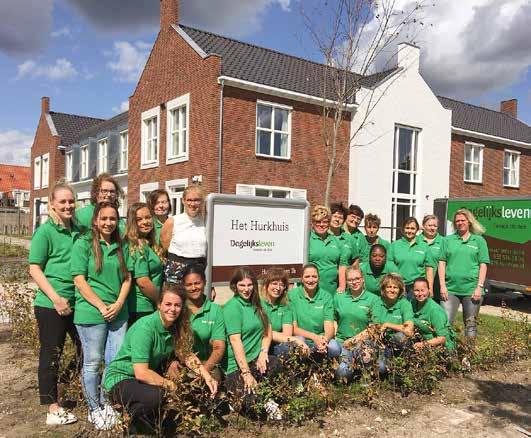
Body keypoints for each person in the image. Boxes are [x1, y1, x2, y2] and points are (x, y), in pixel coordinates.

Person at [103, 283, 217, 428]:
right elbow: (141, 373)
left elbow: (186, 355)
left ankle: (152, 420)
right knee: (156, 396)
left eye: (177, 305)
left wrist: (207, 377)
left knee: (192, 383)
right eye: (168, 304)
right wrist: (171, 386)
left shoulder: (175, 326)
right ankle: (125, 418)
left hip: (145, 378)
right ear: (159, 305)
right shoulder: (145, 328)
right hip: (122, 379)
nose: (172, 309)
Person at [71, 201, 132, 429]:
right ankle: (94, 408)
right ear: (95, 220)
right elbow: (79, 279)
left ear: (118, 221)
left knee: (114, 362)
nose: (108, 223)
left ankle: (107, 403)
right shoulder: (84, 243)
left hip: (118, 313)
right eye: (104, 218)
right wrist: (100, 306)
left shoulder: (121, 245)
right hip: (91, 313)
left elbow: (127, 278)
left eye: (113, 219)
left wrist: (118, 304)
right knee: (93, 362)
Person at [28, 181, 82, 426]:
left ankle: (63, 384)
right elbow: (35, 268)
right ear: (52, 204)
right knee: (52, 354)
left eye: (71, 201)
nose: (68, 205)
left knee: (86, 348)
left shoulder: (78, 229)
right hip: (52, 304)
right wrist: (56, 298)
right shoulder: (45, 231)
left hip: (77, 301)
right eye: (63, 202)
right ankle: (52, 407)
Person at [222, 267, 281, 418]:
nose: (246, 289)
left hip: (257, 360)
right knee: (254, 408)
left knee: (280, 366)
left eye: (249, 285)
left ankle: (265, 395)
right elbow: (235, 341)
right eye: (242, 285)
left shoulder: (258, 303)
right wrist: (246, 373)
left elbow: (268, 331)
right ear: (235, 286)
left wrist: (263, 352)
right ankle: (237, 396)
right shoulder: (232, 307)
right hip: (237, 367)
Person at [439, 208, 489, 338]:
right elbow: (442, 263)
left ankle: (468, 357)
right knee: (445, 324)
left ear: (469, 222)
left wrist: (479, 287)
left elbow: (483, 265)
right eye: (457, 221)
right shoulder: (447, 240)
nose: (460, 223)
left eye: (463, 220)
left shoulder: (479, 241)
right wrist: (442, 285)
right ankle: (446, 354)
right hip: (450, 289)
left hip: (472, 290)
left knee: (471, 325)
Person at [333, 267, 379, 380]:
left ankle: (365, 377)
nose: (354, 282)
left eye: (357, 278)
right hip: (342, 342)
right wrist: (335, 337)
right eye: (350, 280)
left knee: (366, 358)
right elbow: (334, 320)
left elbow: (374, 328)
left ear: (363, 279)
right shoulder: (339, 297)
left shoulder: (373, 299)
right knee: (342, 374)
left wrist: (354, 341)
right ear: (346, 282)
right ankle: (350, 368)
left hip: (363, 342)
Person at [287, 264, 340, 358]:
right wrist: (314, 337)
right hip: (302, 339)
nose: (311, 280)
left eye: (314, 277)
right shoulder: (292, 296)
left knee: (334, 347)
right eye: (307, 277)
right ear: (302, 279)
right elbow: (294, 329)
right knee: (298, 342)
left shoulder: (326, 296)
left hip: (321, 339)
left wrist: (325, 340)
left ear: (318, 278)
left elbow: (329, 326)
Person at [182, 265, 226, 378]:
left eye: (197, 283)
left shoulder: (215, 310)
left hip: (208, 363)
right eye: (189, 284)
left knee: (214, 378)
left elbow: (218, 348)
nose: (193, 288)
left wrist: (204, 372)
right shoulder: (178, 308)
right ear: (183, 286)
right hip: (183, 363)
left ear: (205, 282)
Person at [126, 202, 164, 326]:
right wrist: (162, 300)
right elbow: (143, 282)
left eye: (148, 217)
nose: (145, 222)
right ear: (132, 223)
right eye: (139, 219)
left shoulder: (149, 243)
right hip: (141, 307)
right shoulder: (139, 246)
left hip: (149, 305)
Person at [160, 184, 207, 283]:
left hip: (199, 269)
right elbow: (164, 248)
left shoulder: (207, 222)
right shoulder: (172, 222)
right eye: (189, 200)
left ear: (202, 202)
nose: (193, 204)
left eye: (196, 200)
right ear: (183, 201)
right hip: (176, 270)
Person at [370, 273, 414, 373]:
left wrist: (387, 324)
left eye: (395, 287)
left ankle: (401, 366)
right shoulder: (377, 303)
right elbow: (375, 327)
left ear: (400, 290)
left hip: (398, 345)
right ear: (383, 289)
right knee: (381, 368)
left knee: (400, 337)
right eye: (389, 287)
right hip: (381, 344)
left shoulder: (404, 304)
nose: (392, 290)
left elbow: (408, 330)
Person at [260, 267, 309, 356]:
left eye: (281, 285)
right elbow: (261, 333)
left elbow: (287, 334)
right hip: (260, 345)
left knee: (298, 341)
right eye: (274, 284)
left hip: (276, 344)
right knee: (297, 340)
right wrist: (296, 340)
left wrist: (297, 340)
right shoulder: (258, 303)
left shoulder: (285, 305)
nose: (278, 288)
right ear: (266, 285)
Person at [388, 217, 436, 299]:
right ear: (403, 229)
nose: (409, 231)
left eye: (412, 228)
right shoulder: (394, 246)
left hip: (417, 288)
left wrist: (430, 288)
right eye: (407, 228)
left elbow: (429, 269)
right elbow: (389, 266)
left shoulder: (424, 246)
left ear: (417, 229)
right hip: (398, 285)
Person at [308, 205, 349, 293]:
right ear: (312, 223)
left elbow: (342, 265)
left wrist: (342, 286)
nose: (321, 225)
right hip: (310, 290)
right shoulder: (306, 239)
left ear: (329, 223)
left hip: (332, 291)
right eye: (318, 222)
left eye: (325, 222)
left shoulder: (336, 241)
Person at [411, 278, 455, 351]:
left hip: (439, 347)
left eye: (422, 290)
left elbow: (442, 338)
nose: (420, 294)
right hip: (420, 339)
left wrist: (423, 344)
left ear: (428, 290)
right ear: (413, 291)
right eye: (417, 290)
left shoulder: (435, 311)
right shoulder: (412, 303)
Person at [417, 215, 444, 303]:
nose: (432, 228)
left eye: (434, 226)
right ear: (423, 226)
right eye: (429, 225)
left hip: (437, 283)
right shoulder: (416, 240)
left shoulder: (443, 242)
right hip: (418, 283)